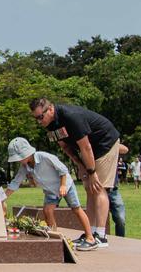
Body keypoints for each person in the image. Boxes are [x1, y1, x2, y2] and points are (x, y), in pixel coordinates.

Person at [29, 98, 120, 247]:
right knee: (89, 189)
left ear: (50, 109)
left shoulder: (71, 116)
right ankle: (91, 232)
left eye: (41, 117)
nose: (39, 121)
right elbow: (65, 147)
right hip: (89, 151)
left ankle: (101, 236)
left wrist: (91, 172)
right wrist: (80, 165)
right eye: (36, 118)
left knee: (99, 187)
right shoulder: (51, 126)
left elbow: (86, 147)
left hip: (105, 144)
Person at [2, 137, 98, 250]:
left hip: (65, 185)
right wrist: (1, 198)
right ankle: (55, 236)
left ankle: (90, 238)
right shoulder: (24, 167)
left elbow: (63, 170)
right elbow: (15, 183)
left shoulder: (44, 157)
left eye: (19, 158)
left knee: (76, 209)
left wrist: (63, 186)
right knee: (47, 211)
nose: (18, 161)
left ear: (27, 153)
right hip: (50, 190)